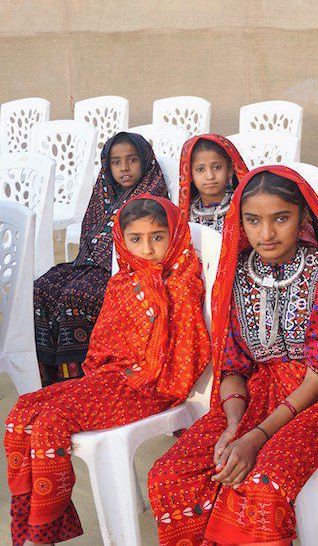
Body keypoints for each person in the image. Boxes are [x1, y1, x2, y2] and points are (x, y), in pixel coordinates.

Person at [148, 166, 318, 545]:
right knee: (170, 474)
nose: (266, 233)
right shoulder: (238, 273)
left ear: (303, 217)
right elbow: (233, 366)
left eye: (280, 218)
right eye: (253, 220)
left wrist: (255, 438)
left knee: (262, 481)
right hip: (256, 395)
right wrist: (233, 427)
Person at [7, 195, 209, 546]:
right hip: (111, 381)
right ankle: (27, 521)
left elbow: (186, 361)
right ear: (122, 240)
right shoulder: (123, 281)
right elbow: (102, 347)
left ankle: (43, 532)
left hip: (153, 388)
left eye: (158, 237)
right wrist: (105, 377)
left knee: (51, 424)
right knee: (20, 412)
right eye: (136, 239)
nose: (147, 248)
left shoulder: (182, 284)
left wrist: (138, 376)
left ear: (175, 235)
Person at [33, 132, 167, 384]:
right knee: (42, 287)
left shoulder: (152, 193)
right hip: (90, 265)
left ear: (145, 160)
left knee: (76, 296)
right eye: (116, 162)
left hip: (124, 273)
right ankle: (48, 379)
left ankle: (77, 379)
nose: (124, 168)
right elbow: (89, 235)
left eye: (132, 160)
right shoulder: (104, 191)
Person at [179, 134, 249, 232]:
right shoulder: (186, 213)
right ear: (189, 174)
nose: (210, 176)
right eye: (200, 169)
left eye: (217, 167)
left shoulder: (244, 207)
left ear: (230, 169)